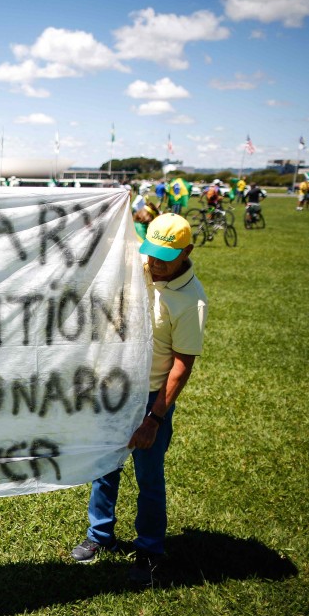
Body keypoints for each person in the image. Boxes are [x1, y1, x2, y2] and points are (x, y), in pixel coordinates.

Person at [70, 213, 208, 586]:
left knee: (149, 478)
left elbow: (182, 365)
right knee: (105, 468)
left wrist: (154, 418)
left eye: (165, 256)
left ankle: (150, 551)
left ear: (187, 252)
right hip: (116, 390)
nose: (155, 263)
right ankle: (99, 536)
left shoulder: (191, 302)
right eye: (151, 253)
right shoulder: (141, 268)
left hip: (151, 399)